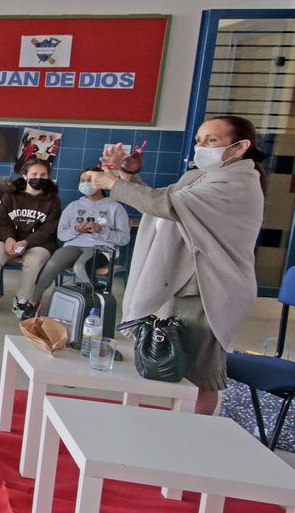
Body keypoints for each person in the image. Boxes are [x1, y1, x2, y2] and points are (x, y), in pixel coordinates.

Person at [93, 115, 265, 414]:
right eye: (199, 140)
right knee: (163, 354)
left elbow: (170, 206)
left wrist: (114, 185)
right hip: (175, 281)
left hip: (203, 290)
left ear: (240, 147)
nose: (202, 147)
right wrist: (128, 177)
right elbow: (164, 203)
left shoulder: (236, 183)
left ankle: (191, 435)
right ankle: (171, 425)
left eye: (212, 140)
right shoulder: (199, 176)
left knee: (200, 374)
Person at [0, 160, 62, 319]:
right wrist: (9, 238)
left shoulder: (53, 200)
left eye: (43, 175)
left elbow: (48, 229)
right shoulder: (10, 196)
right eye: (34, 174)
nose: (38, 177)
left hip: (39, 243)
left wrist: (27, 242)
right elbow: (3, 222)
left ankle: (22, 300)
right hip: (10, 240)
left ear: (48, 177)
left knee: (34, 262)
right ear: (25, 175)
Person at [29, 166, 132, 307]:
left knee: (80, 266)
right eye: (82, 180)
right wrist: (77, 229)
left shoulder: (115, 208)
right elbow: (62, 235)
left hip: (102, 248)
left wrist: (101, 230)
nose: (85, 184)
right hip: (75, 245)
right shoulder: (73, 206)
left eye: (89, 180)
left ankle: (93, 304)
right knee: (52, 264)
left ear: (101, 182)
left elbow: (124, 238)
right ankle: (33, 302)